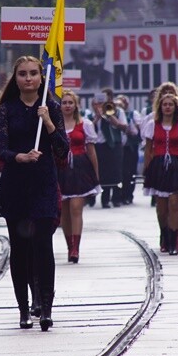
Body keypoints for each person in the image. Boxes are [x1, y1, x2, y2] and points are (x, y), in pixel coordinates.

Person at [0, 55, 69, 331]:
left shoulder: (51, 107)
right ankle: (23, 309)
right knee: (20, 248)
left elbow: (62, 148)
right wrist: (19, 157)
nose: (29, 78)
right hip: (16, 184)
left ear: (41, 77)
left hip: (44, 183)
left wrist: (47, 122)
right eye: (23, 74)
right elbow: (1, 149)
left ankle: (46, 307)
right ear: (16, 78)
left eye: (33, 73)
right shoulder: (8, 109)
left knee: (44, 246)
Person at [142, 92, 178, 256]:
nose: (167, 107)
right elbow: (148, 149)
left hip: (177, 165)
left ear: (176, 107)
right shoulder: (153, 125)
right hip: (159, 166)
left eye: (170, 105)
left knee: (175, 202)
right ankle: (165, 236)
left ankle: (175, 241)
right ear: (160, 107)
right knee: (161, 207)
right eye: (165, 105)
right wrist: (148, 170)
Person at [58, 91, 100, 264]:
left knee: (76, 207)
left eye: (70, 102)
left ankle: (76, 248)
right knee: (64, 212)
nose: (67, 105)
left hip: (79, 168)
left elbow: (91, 150)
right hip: (60, 168)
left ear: (76, 105)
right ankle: (69, 246)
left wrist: (96, 175)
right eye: (64, 102)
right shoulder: (54, 124)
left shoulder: (85, 124)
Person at [91, 88, 128, 208]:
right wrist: (97, 115)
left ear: (111, 99)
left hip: (115, 144)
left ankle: (117, 198)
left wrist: (110, 115)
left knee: (116, 171)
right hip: (100, 145)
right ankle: (105, 199)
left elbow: (123, 126)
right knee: (103, 172)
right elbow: (90, 127)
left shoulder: (119, 111)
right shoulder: (94, 111)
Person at [117, 94, 142, 204]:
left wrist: (130, 124)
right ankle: (120, 195)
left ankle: (129, 195)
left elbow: (136, 131)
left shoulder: (133, 114)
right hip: (120, 148)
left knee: (130, 172)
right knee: (120, 172)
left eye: (122, 102)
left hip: (130, 148)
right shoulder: (114, 114)